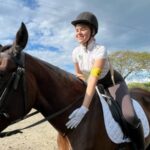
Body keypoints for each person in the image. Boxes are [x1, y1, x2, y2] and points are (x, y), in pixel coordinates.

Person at [65, 11, 145, 150]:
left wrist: (84, 108)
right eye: (76, 30)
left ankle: (139, 146)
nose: (78, 32)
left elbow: (94, 77)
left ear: (93, 31)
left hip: (114, 84)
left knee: (129, 116)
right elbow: (78, 74)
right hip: (95, 85)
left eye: (83, 29)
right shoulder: (75, 52)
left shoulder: (100, 50)